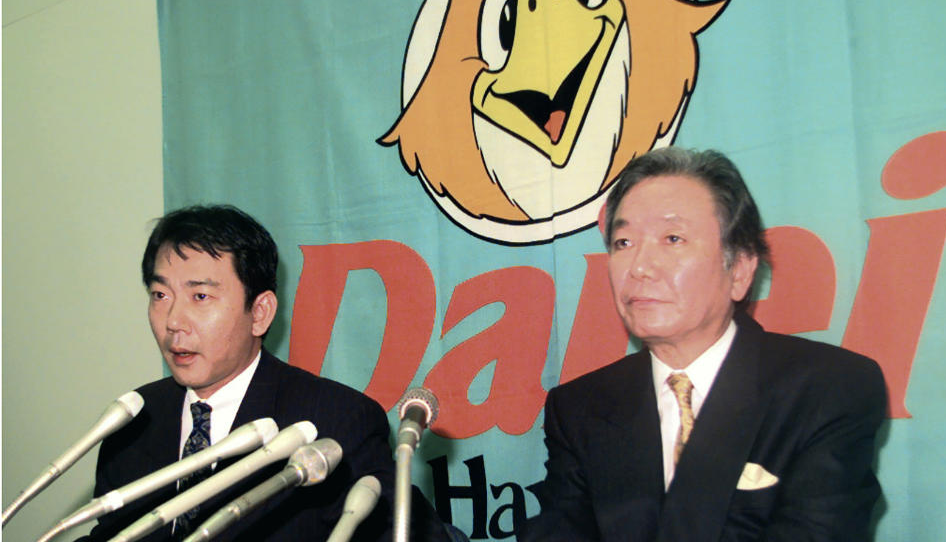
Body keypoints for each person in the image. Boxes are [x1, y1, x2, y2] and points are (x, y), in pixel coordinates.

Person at [519, 148, 886, 541]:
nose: (639, 267)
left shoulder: (828, 388)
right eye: (623, 242)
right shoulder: (580, 407)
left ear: (741, 270)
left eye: (672, 239)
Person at [82, 205, 448, 541]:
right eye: (160, 295)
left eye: (200, 297)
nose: (174, 322)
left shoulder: (337, 423)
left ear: (260, 313)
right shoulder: (133, 422)